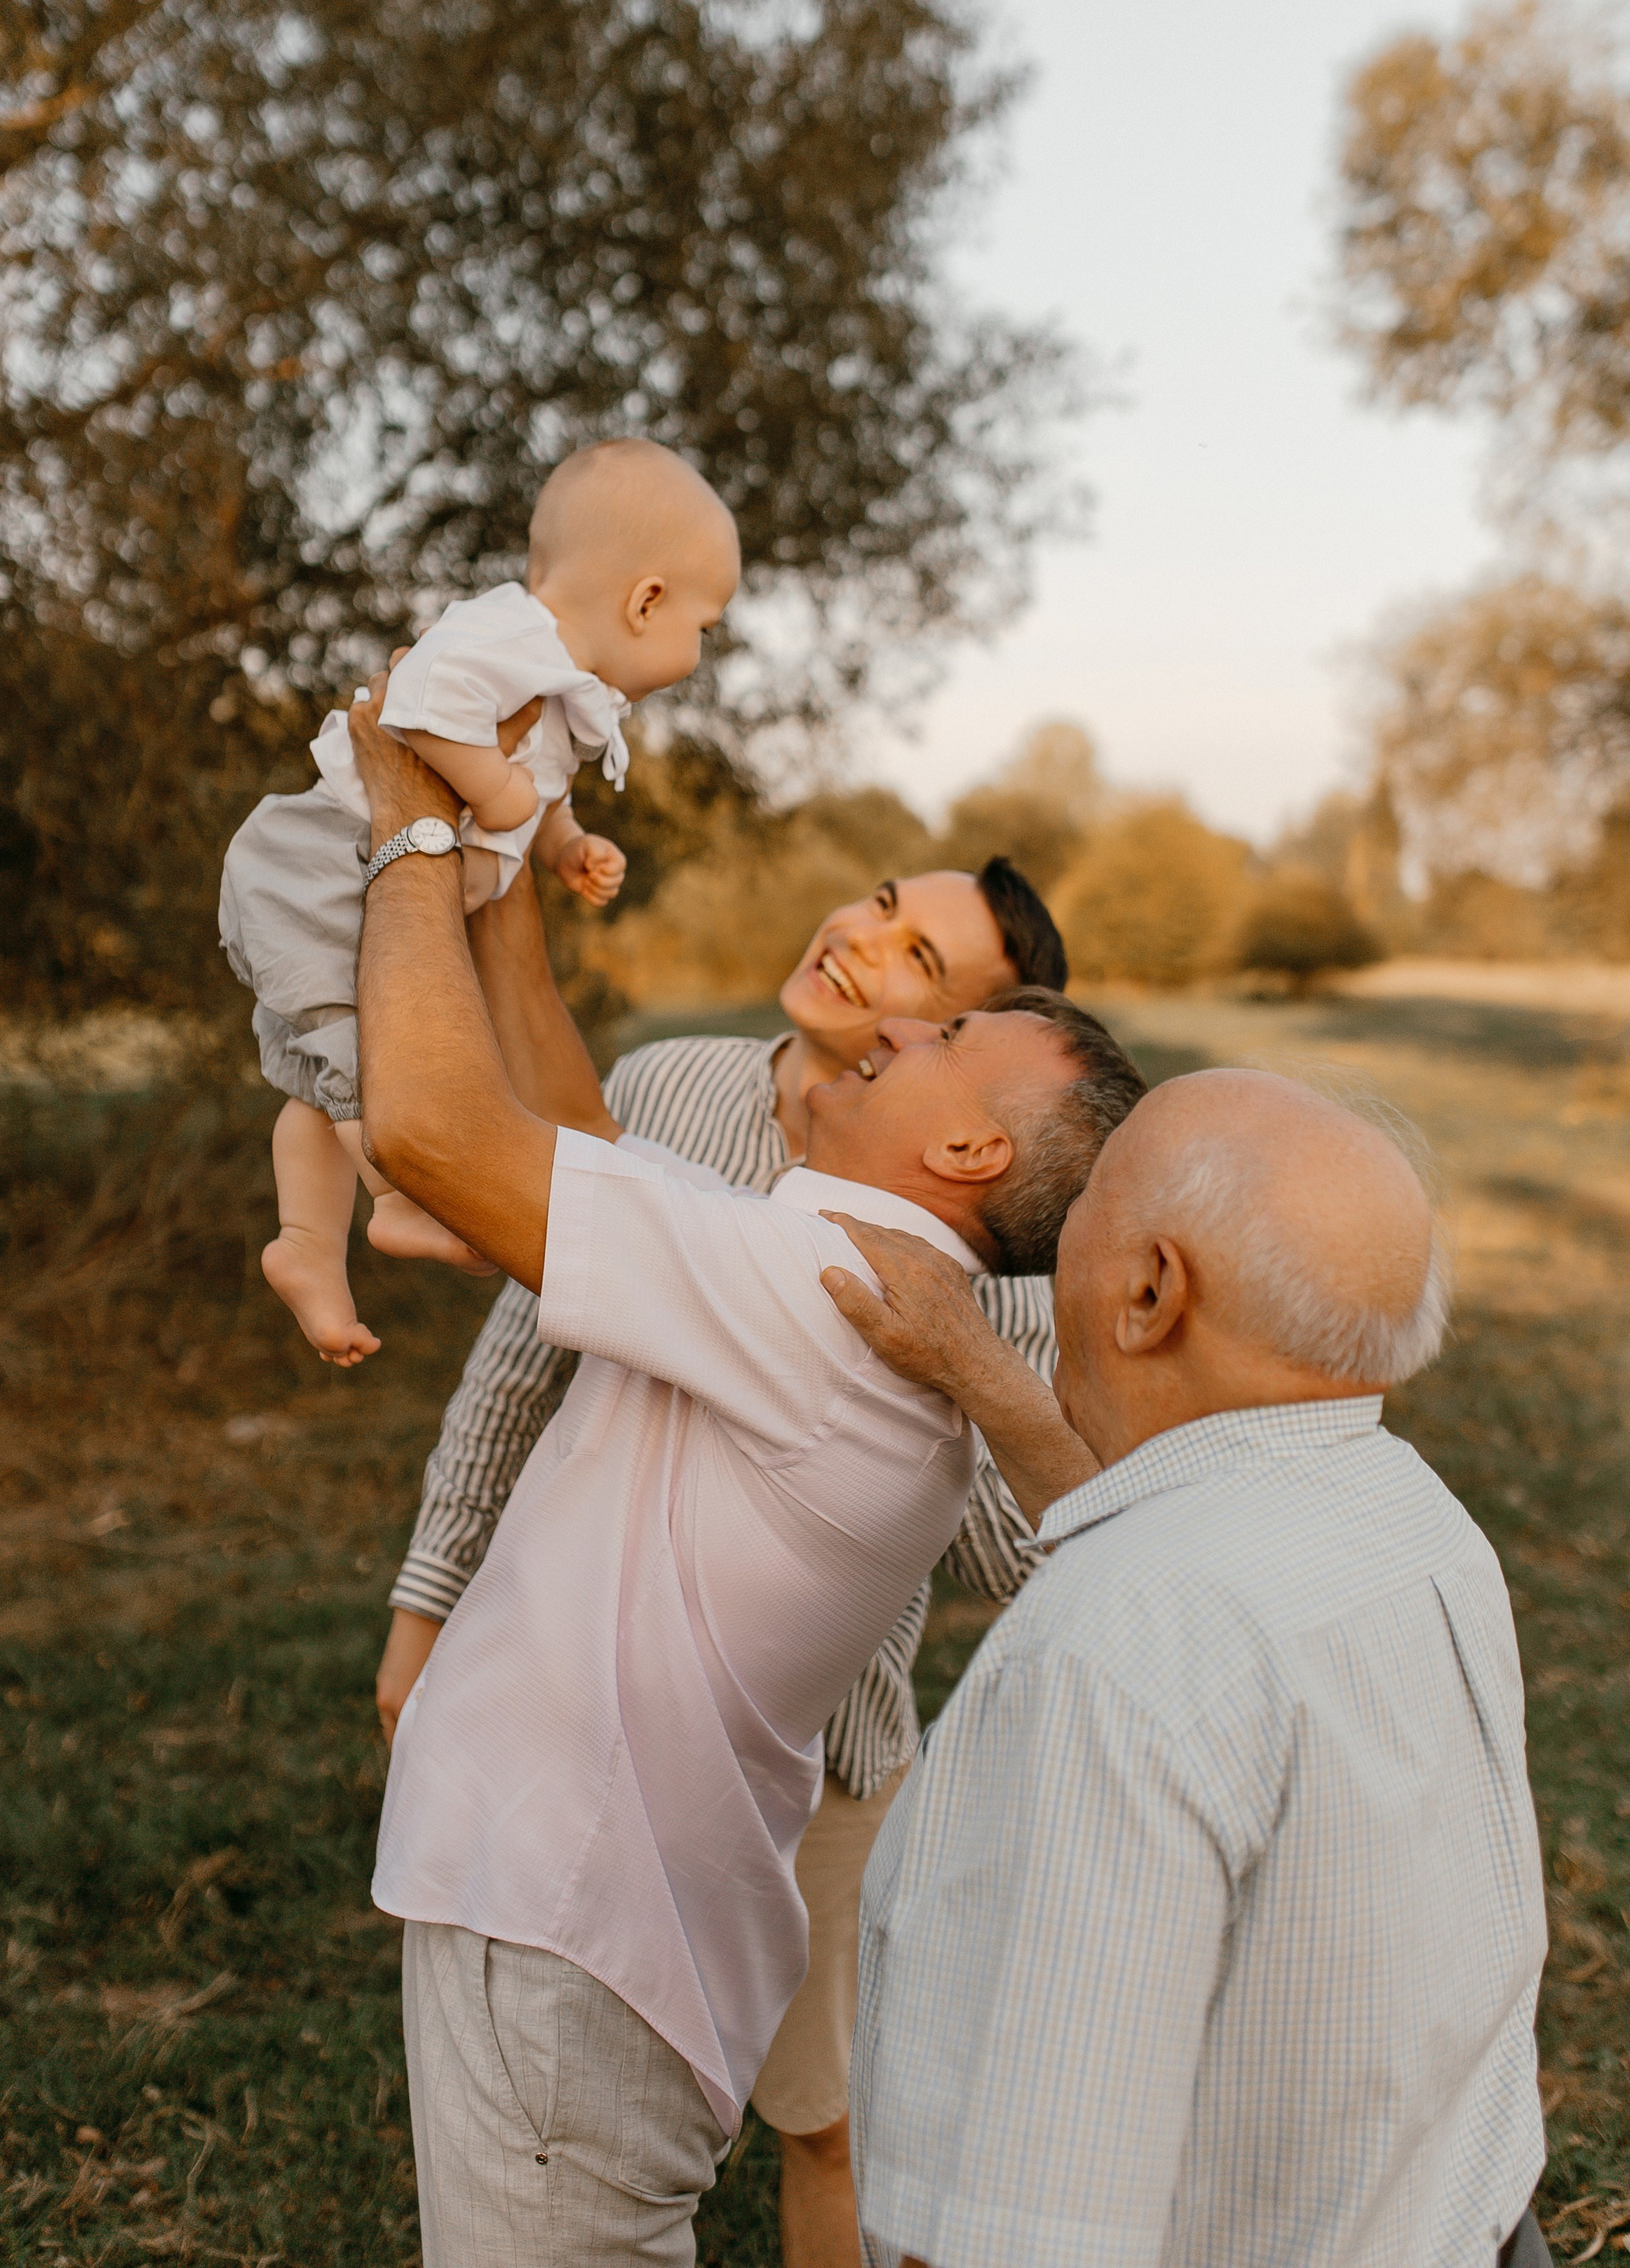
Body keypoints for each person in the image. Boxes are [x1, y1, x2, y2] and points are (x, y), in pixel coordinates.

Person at [346, 687, 1147, 2268]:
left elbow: (441, 1128)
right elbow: (579, 1142)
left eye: (945, 1029)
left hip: (567, 1932)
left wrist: (410, 831)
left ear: (972, 1158)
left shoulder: (814, 1282)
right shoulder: (825, 1260)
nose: (891, 1022)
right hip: (593, 1929)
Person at [825, 1068, 1551, 2268]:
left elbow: (1040, 2226)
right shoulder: (1419, 1518)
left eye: (1092, 1201)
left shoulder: (1113, 1649)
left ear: (1152, 1289)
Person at [219, 439, 739, 1365]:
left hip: (355, 873)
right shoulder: (508, 636)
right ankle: (400, 1198)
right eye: (707, 625)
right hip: (318, 857)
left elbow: (534, 776)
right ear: (646, 600)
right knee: (364, 1057)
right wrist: (497, 795)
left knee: (324, 1070)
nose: (701, 650)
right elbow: (416, 703)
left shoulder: (569, 686)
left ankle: (304, 1247)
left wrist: (564, 839)